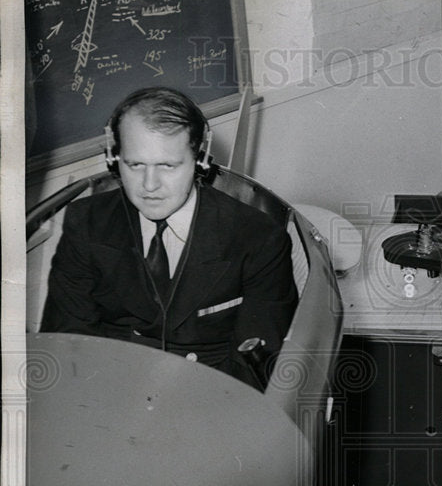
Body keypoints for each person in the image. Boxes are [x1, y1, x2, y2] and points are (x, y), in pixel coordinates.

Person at [40, 87, 298, 388]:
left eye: (168, 166)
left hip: (209, 393)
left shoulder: (259, 238)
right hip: (109, 385)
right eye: (135, 165)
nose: (149, 185)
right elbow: (66, 339)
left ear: (200, 160)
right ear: (114, 159)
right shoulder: (85, 223)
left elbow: (256, 366)